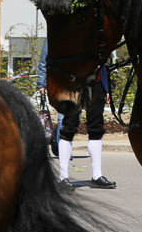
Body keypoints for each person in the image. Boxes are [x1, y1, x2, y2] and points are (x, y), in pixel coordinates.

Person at [37, 42, 115, 189]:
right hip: (71, 84)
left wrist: (106, 86)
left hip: (95, 83)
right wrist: (43, 83)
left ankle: (97, 175)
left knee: (96, 128)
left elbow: (104, 60)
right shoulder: (62, 29)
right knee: (68, 127)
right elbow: (45, 58)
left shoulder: (95, 28)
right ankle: (63, 177)